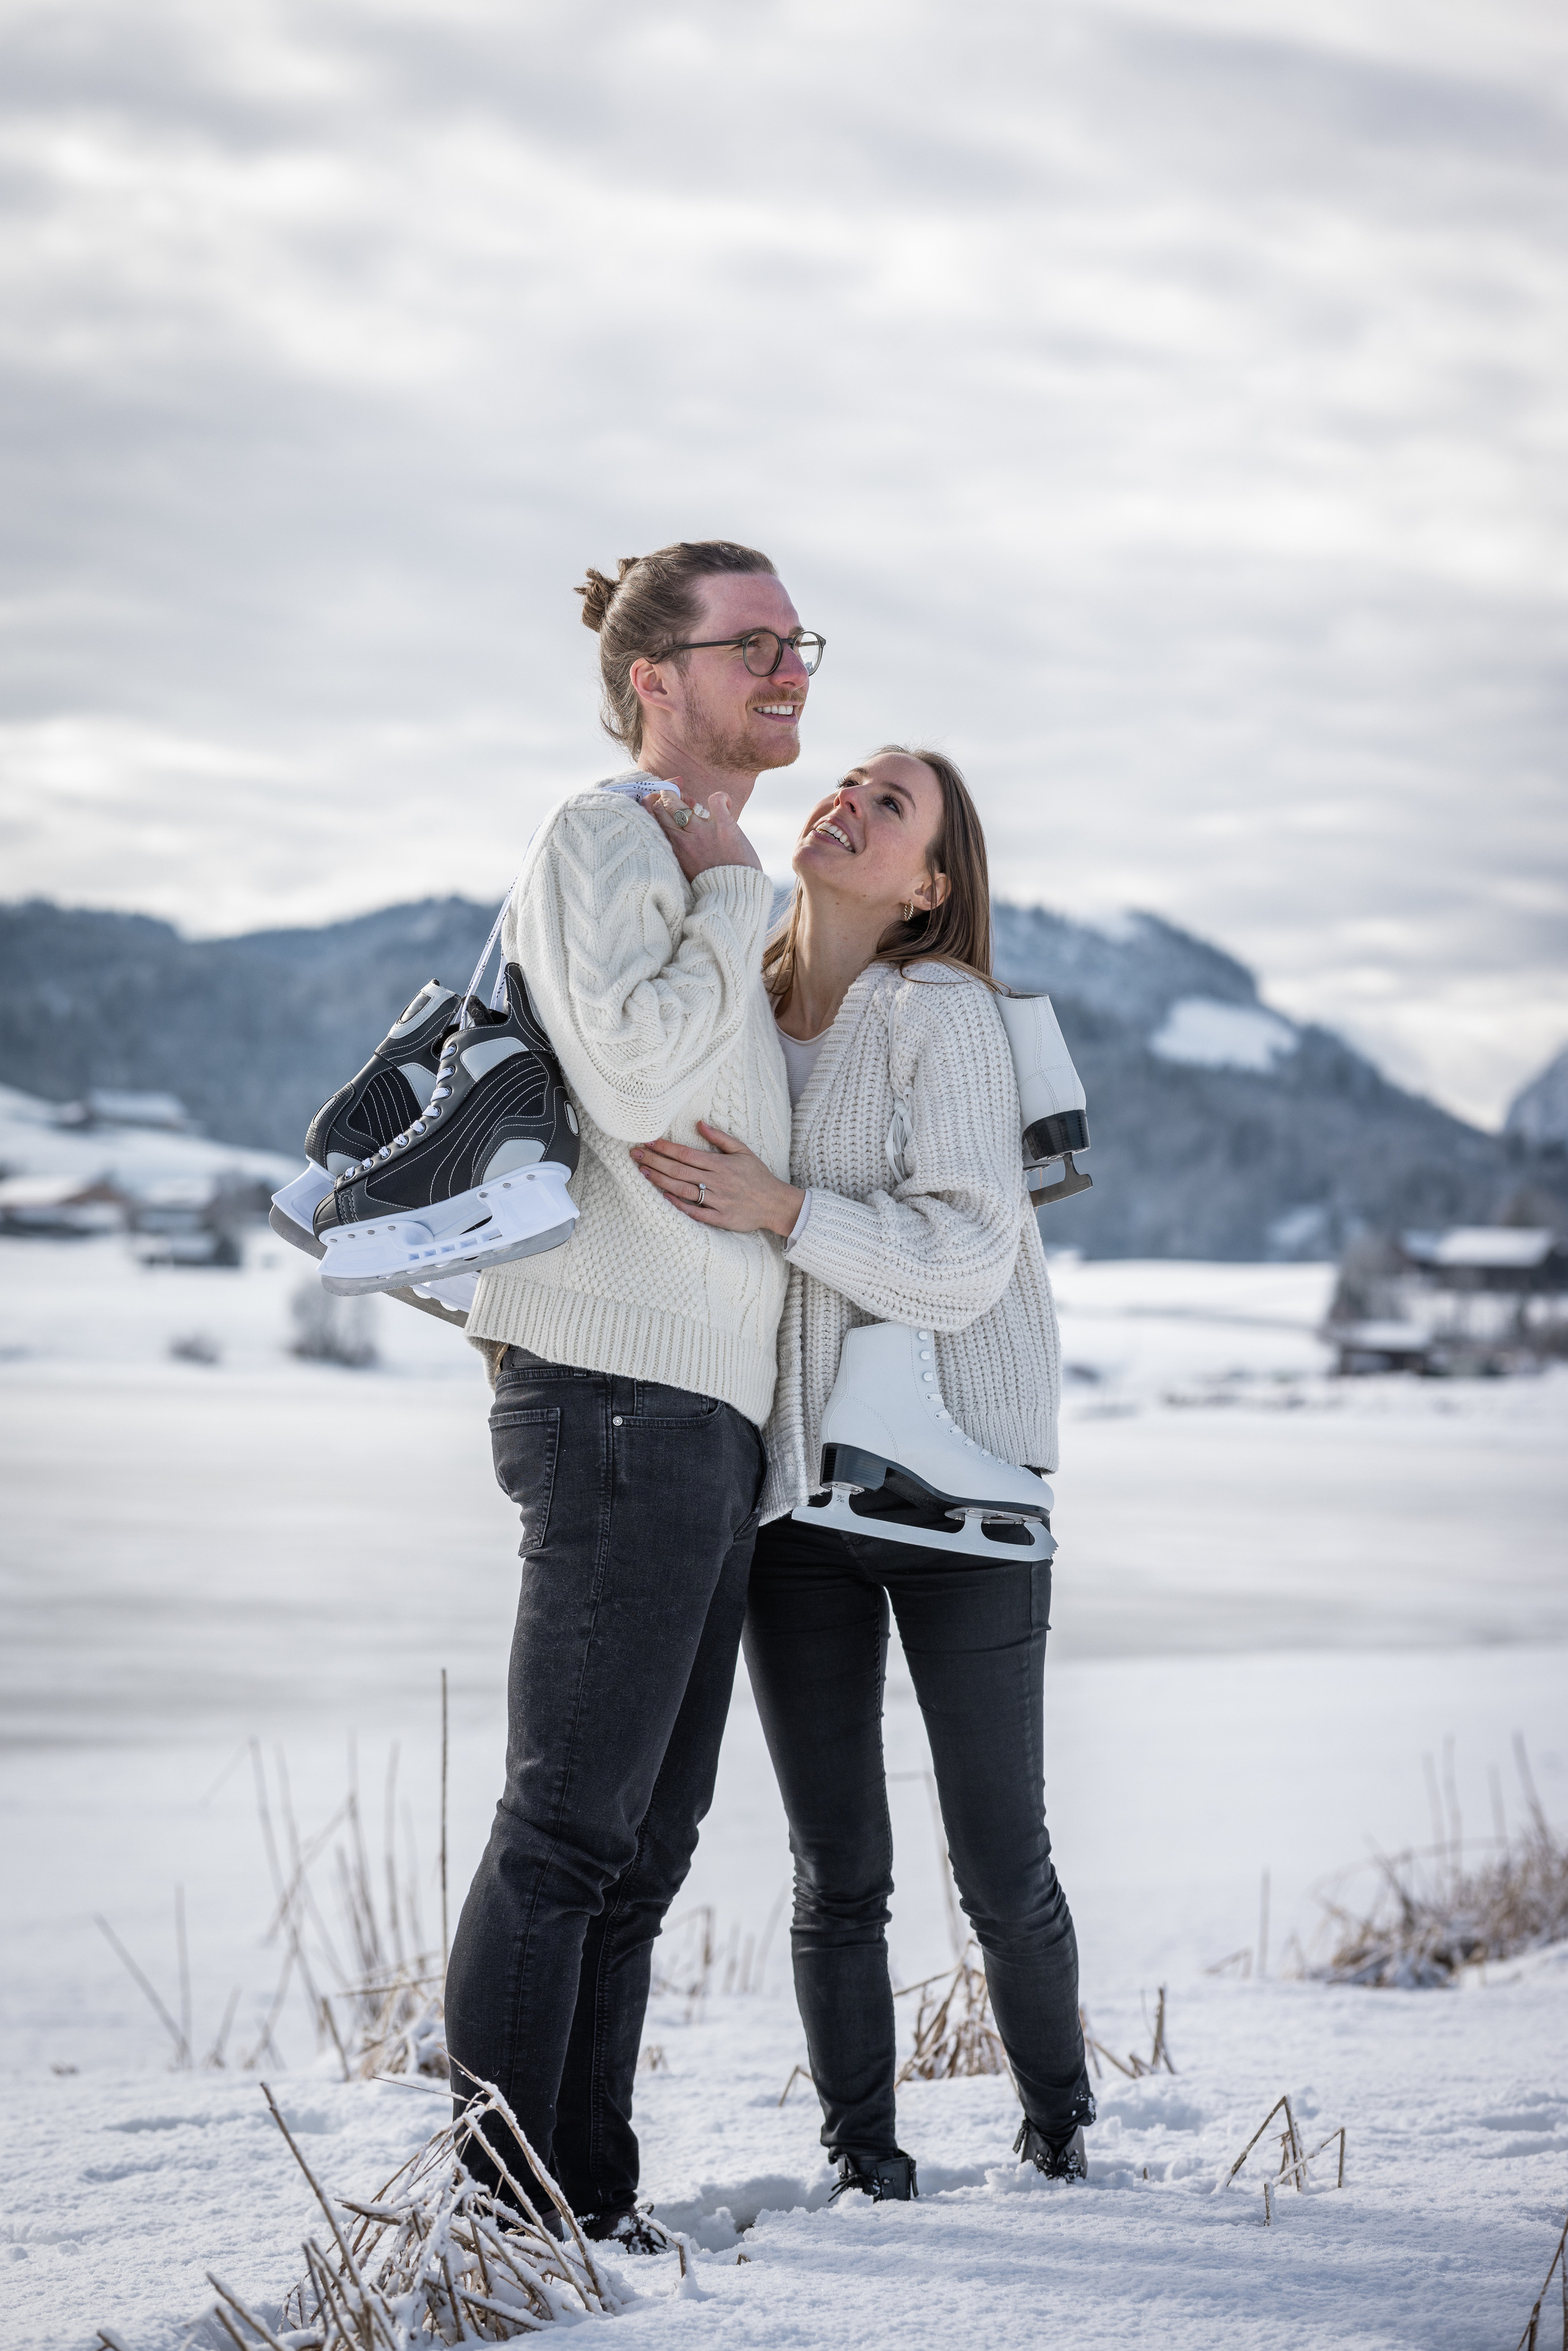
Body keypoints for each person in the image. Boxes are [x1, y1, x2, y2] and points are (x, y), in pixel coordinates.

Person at [632, 745, 1094, 2202]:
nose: (846, 800)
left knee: (998, 1861)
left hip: (961, 1491)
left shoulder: (936, 1009)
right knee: (837, 1866)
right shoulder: (741, 1019)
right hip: (792, 1502)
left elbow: (966, 1255)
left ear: (927, 886)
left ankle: (1060, 2137)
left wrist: (783, 1206)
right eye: (844, 782)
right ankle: (864, 2164)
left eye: (889, 805)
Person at [445, 540, 826, 2247]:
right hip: (613, 1390)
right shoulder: (611, 835)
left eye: (800, 639)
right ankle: (511, 2217)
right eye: (753, 642)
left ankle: (582, 2205)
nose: (790, 666)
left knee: (641, 1849)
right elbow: (639, 1070)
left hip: (692, 1410)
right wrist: (737, 882)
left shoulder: (699, 858)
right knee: (568, 1830)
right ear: (654, 676)